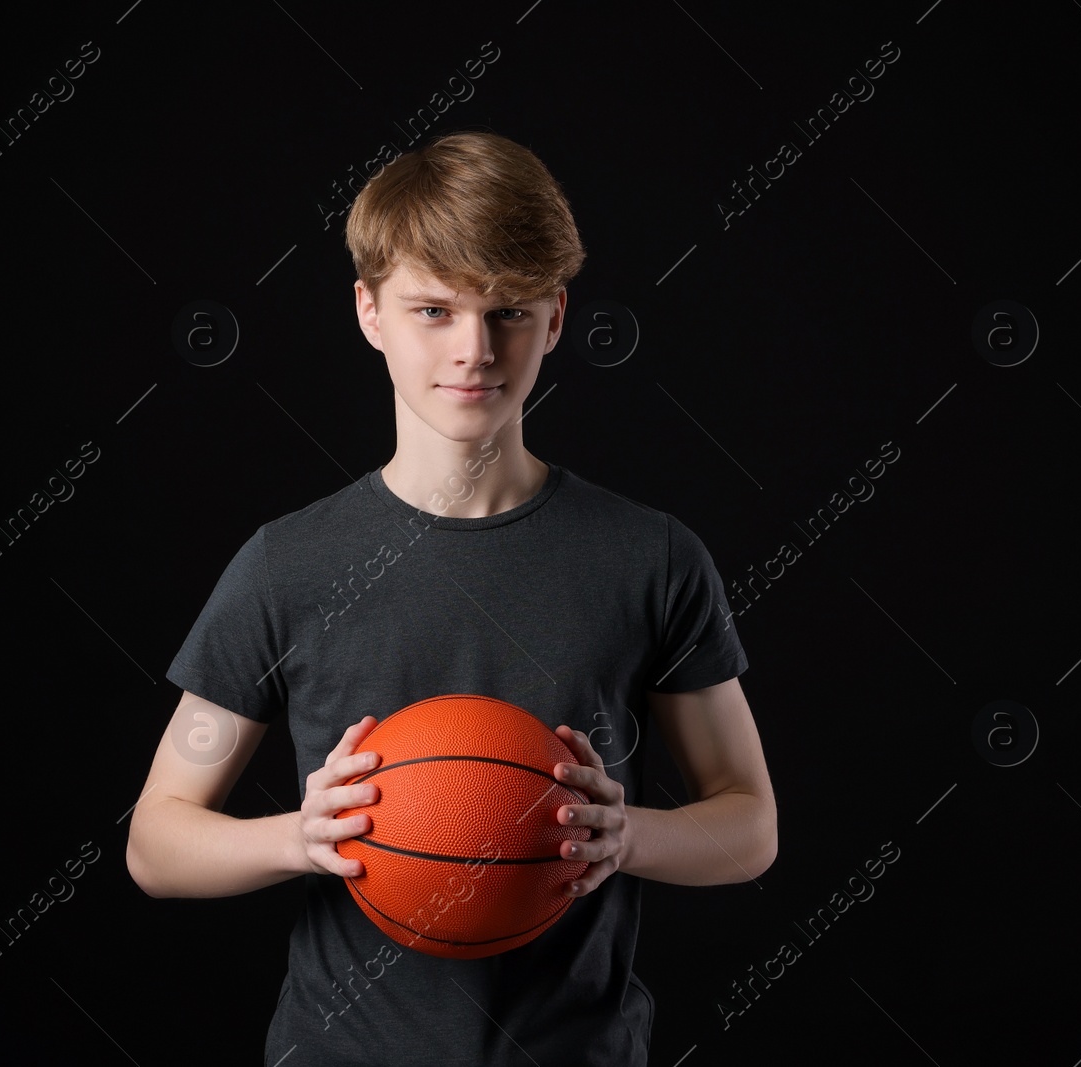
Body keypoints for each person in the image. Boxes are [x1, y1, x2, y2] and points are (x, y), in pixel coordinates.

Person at [125, 129, 777, 1067]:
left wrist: (626, 835)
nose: (474, 349)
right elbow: (157, 841)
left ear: (555, 317)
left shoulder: (651, 557)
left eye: (507, 310)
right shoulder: (288, 566)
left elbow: (749, 820)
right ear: (369, 313)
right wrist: (300, 838)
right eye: (433, 309)